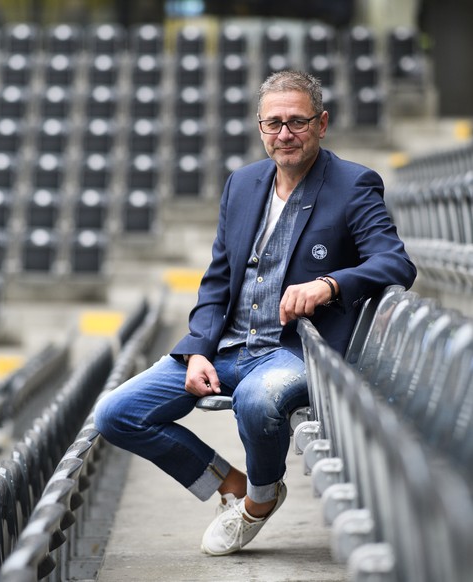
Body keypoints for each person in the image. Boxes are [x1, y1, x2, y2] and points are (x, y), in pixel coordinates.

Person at [94, 70, 417, 556]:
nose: (284, 134)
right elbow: (218, 279)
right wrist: (198, 349)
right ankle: (231, 483)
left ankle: (260, 501)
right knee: (116, 413)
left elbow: (396, 262)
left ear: (322, 123)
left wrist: (330, 285)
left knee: (256, 399)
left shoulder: (353, 184)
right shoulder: (242, 184)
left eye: (297, 121)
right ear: (259, 126)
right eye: (273, 123)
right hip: (226, 345)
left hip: (293, 351)